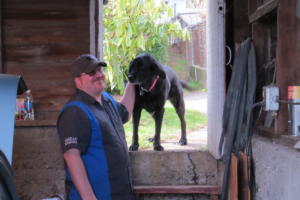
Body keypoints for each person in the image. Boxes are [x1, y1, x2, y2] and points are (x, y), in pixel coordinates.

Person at [57, 54, 136, 200]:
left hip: (120, 194)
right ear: (77, 80)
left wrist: (132, 82)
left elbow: (125, 113)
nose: (99, 75)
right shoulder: (74, 111)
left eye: (100, 70)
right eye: (92, 72)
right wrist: (89, 197)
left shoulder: (107, 100)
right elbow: (71, 156)